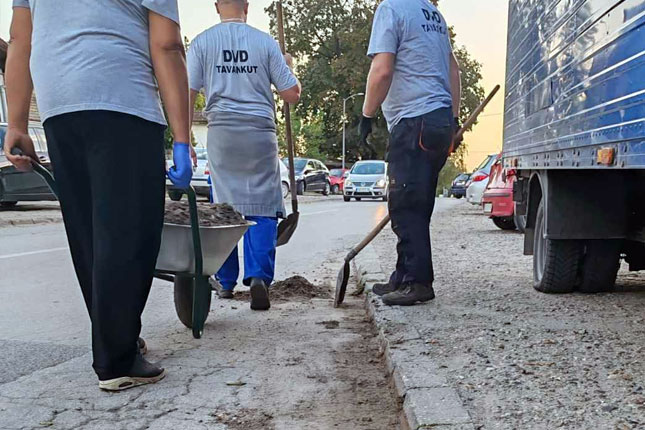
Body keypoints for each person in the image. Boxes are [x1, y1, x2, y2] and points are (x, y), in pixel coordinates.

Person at [5, 0, 193, 391]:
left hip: (60, 110)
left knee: (90, 231)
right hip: (123, 102)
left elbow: (21, 39)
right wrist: (180, 137)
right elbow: (166, 45)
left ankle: (117, 337)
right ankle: (117, 360)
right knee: (130, 233)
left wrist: (18, 122)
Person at [187, 0, 301, 310]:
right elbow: (291, 94)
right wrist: (287, 66)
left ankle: (225, 283)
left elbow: (187, 92)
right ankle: (259, 277)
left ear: (216, 6)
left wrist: (183, 140)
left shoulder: (202, 42)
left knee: (225, 209)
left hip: (222, 133)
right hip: (260, 133)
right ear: (246, 7)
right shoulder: (265, 43)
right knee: (262, 205)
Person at [360, 0, 462, 306]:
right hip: (438, 120)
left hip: (414, 121)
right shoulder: (433, 13)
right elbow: (453, 70)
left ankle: (417, 282)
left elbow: (382, 69)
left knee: (405, 204)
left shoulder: (391, 9)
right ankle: (403, 276)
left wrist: (366, 115)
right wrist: (453, 119)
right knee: (417, 204)